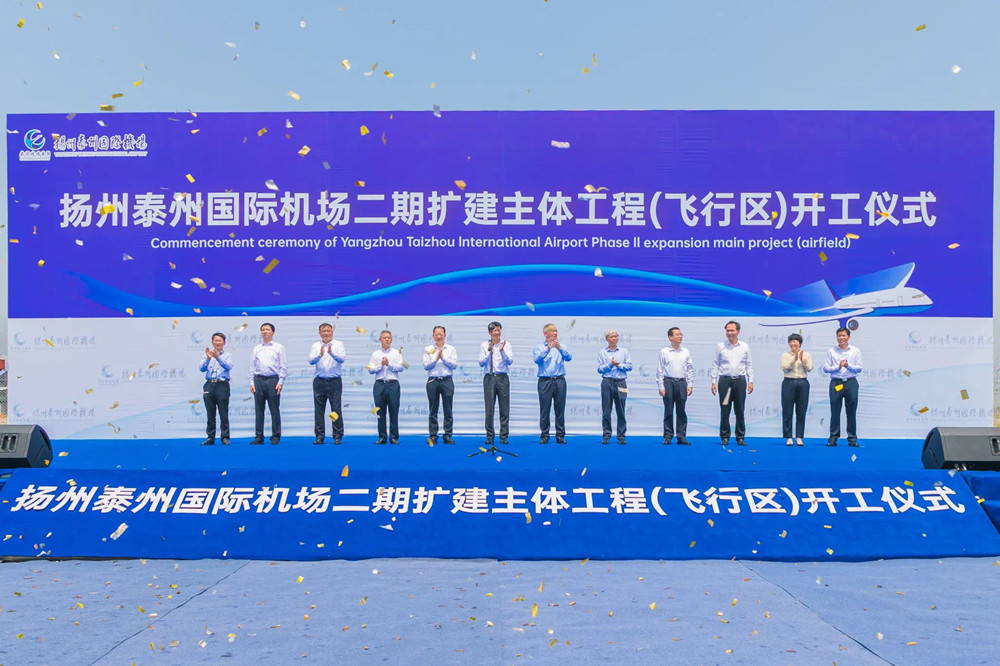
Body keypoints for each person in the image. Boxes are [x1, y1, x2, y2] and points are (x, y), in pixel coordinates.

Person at [710, 320, 754, 446]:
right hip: (725, 382)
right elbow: (715, 365)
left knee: (740, 410)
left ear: (738, 331)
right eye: (727, 330)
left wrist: (750, 381)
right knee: (725, 410)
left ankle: (740, 437)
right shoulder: (721, 346)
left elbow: (749, 365)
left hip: (740, 381)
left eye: (732, 330)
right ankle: (725, 436)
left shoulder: (744, 346)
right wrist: (713, 382)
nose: (730, 333)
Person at [823, 327, 863, 447]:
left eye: (844, 335)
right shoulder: (831, 351)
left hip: (851, 383)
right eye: (839, 335)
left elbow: (859, 368)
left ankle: (852, 439)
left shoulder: (855, 351)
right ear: (836, 337)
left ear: (848, 337)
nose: (841, 338)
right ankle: (833, 438)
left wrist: (848, 366)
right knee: (835, 411)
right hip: (836, 383)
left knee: (851, 412)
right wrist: (838, 367)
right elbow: (826, 368)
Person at [533, 323, 572, 444]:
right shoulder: (540, 347)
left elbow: (569, 357)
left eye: (556, 331)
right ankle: (544, 435)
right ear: (545, 334)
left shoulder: (562, 346)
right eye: (552, 331)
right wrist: (548, 349)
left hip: (560, 380)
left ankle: (560, 435)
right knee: (545, 410)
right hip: (545, 381)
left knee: (560, 409)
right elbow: (536, 360)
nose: (555, 333)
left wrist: (560, 348)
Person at [248, 322, 287, 445]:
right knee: (259, 410)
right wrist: (251, 382)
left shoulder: (278, 347)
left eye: (267, 329)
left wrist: (280, 381)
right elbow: (252, 366)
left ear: (273, 332)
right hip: (258, 380)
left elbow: (283, 366)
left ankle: (275, 436)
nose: (264, 332)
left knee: (274, 409)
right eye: (263, 330)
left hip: (273, 380)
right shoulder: (257, 348)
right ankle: (259, 436)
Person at [656, 326, 694, 446]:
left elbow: (689, 369)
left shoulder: (685, 351)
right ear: (670, 337)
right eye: (677, 334)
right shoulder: (664, 352)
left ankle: (681, 436)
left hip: (682, 382)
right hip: (668, 382)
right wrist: (661, 386)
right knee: (668, 410)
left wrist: (690, 384)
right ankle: (668, 436)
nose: (680, 336)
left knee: (681, 410)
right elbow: (660, 370)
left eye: (681, 334)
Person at [309, 323, 346, 445]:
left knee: (336, 409)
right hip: (319, 381)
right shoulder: (315, 346)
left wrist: (331, 353)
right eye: (323, 331)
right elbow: (311, 361)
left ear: (332, 332)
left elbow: (342, 359)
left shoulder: (338, 344)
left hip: (334, 381)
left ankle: (337, 436)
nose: (326, 333)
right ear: (319, 333)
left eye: (328, 331)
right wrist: (320, 355)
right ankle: (319, 436)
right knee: (319, 410)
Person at [479, 321, 513, 445]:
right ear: (489, 332)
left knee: (504, 409)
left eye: (498, 330)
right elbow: (481, 363)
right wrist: (489, 352)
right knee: (489, 409)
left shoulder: (506, 344)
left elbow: (510, 361)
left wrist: (502, 351)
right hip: (489, 378)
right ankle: (490, 437)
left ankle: (503, 437)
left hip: (502, 378)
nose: (497, 333)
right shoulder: (484, 345)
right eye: (494, 331)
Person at [368, 330, 405, 445]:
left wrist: (389, 364)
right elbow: (370, 369)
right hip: (379, 384)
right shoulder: (375, 354)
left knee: (394, 411)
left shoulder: (396, 353)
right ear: (380, 340)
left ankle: (394, 437)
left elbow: (401, 367)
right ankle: (382, 437)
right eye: (384, 338)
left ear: (391, 340)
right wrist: (381, 365)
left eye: (389, 338)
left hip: (393, 384)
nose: (387, 339)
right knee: (380, 412)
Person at [423, 325, 458, 445]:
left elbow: (454, 365)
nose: (439, 336)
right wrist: (435, 359)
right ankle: (433, 435)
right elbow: (426, 366)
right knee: (433, 409)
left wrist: (443, 358)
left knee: (448, 409)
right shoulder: (428, 349)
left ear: (445, 335)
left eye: (441, 334)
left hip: (447, 381)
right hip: (433, 381)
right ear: (433, 336)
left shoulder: (451, 349)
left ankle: (447, 435)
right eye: (436, 334)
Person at [597, 329, 632, 445]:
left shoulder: (624, 351)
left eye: (616, 336)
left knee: (621, 410)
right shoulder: (602, 352)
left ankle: (621, 436)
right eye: (612, 337)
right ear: (607, 339)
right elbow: (600, 369)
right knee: (606, 410)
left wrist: (619, 365)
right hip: (607, 382)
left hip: (621, 382)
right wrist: (610, 365)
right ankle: (606, 435)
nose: (614, 339)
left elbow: (629, 367)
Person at [199, 332, 233, 446]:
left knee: (223, 412)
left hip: (222, 385)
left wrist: (218, 357)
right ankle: (210, 437)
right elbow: (201, 369)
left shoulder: (227, 355)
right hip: (209, 384)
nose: (217, 342)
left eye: (220, 340)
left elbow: (229, 366)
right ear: (212, 342)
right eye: (215, 340)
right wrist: (208, 359)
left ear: (224, 342)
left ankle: (225, 437)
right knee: (210, 413)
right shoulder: (207, 355)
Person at [779, 333, 812, 447]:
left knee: (801, 411)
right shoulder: (785, 355)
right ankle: (788, 437)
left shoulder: (806, 354)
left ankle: (799, 437)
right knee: (787, 410)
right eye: (791, 341)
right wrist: (793, 360)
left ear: (800, 343)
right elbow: (784, 368)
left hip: (803, 383)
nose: (793, 343)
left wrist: (802, 360)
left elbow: (810, 368)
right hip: (788, 382)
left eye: (795, 341)